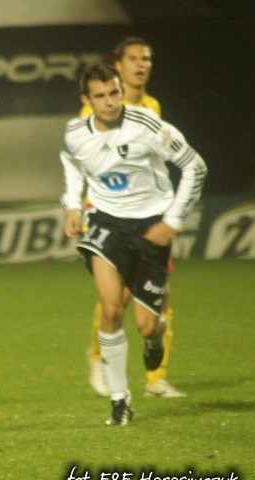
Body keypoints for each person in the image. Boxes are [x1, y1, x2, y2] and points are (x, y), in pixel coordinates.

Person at [61, 63, 206, 425]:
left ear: (121, 92)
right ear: (86, 100)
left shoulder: (148, 126)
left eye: (114, 93)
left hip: (150, 228)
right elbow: (72, 161)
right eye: (100, 96)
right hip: (106, 223)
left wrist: (172, 221)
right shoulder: (76, 133)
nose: (110, 102)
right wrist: (73, 205)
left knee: (146, 326)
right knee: (111, 310)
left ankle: (155, 339)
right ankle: (119, 399)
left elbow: (195, 167)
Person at [79, 37, 184, 399]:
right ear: (119, 66)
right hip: (109, 215)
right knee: (118, 299)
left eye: (147, 58)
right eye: (134, 58)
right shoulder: (95, 110)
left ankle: (156, 379)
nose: (142, 64)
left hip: (149, 215)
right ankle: (99, 357)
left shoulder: (151, 107)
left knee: (159, 295)